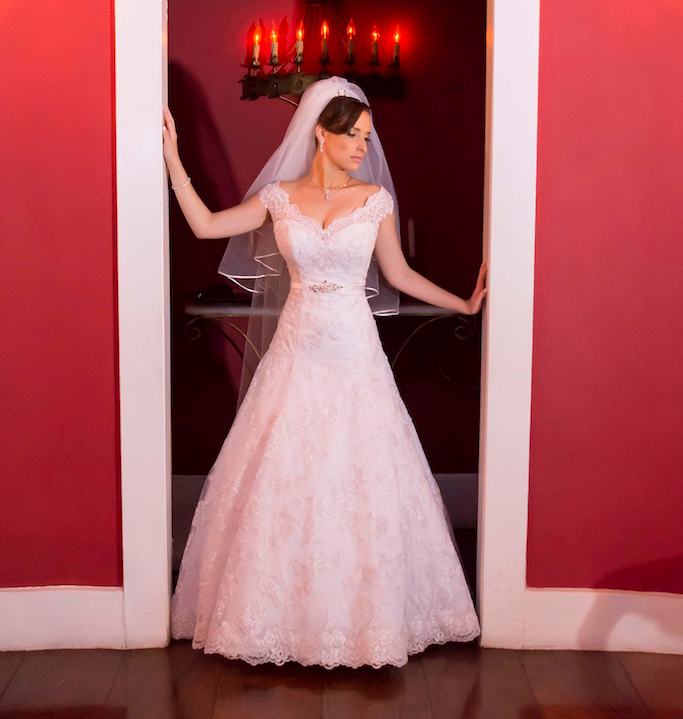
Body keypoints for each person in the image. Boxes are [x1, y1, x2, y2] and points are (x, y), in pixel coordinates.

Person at [163, 77, 487, 669]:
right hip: (296, 352)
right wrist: (173, 161)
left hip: (355, 354)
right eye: (354, 135)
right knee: (280, 475)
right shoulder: (280, 197)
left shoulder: (375, 201)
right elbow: (207, 225)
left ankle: (366, 623)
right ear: (321, 133)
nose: (364, 146)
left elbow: (399, 274)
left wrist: (463, 304)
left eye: (368, 136)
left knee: (361, 474)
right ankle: (273, 619)